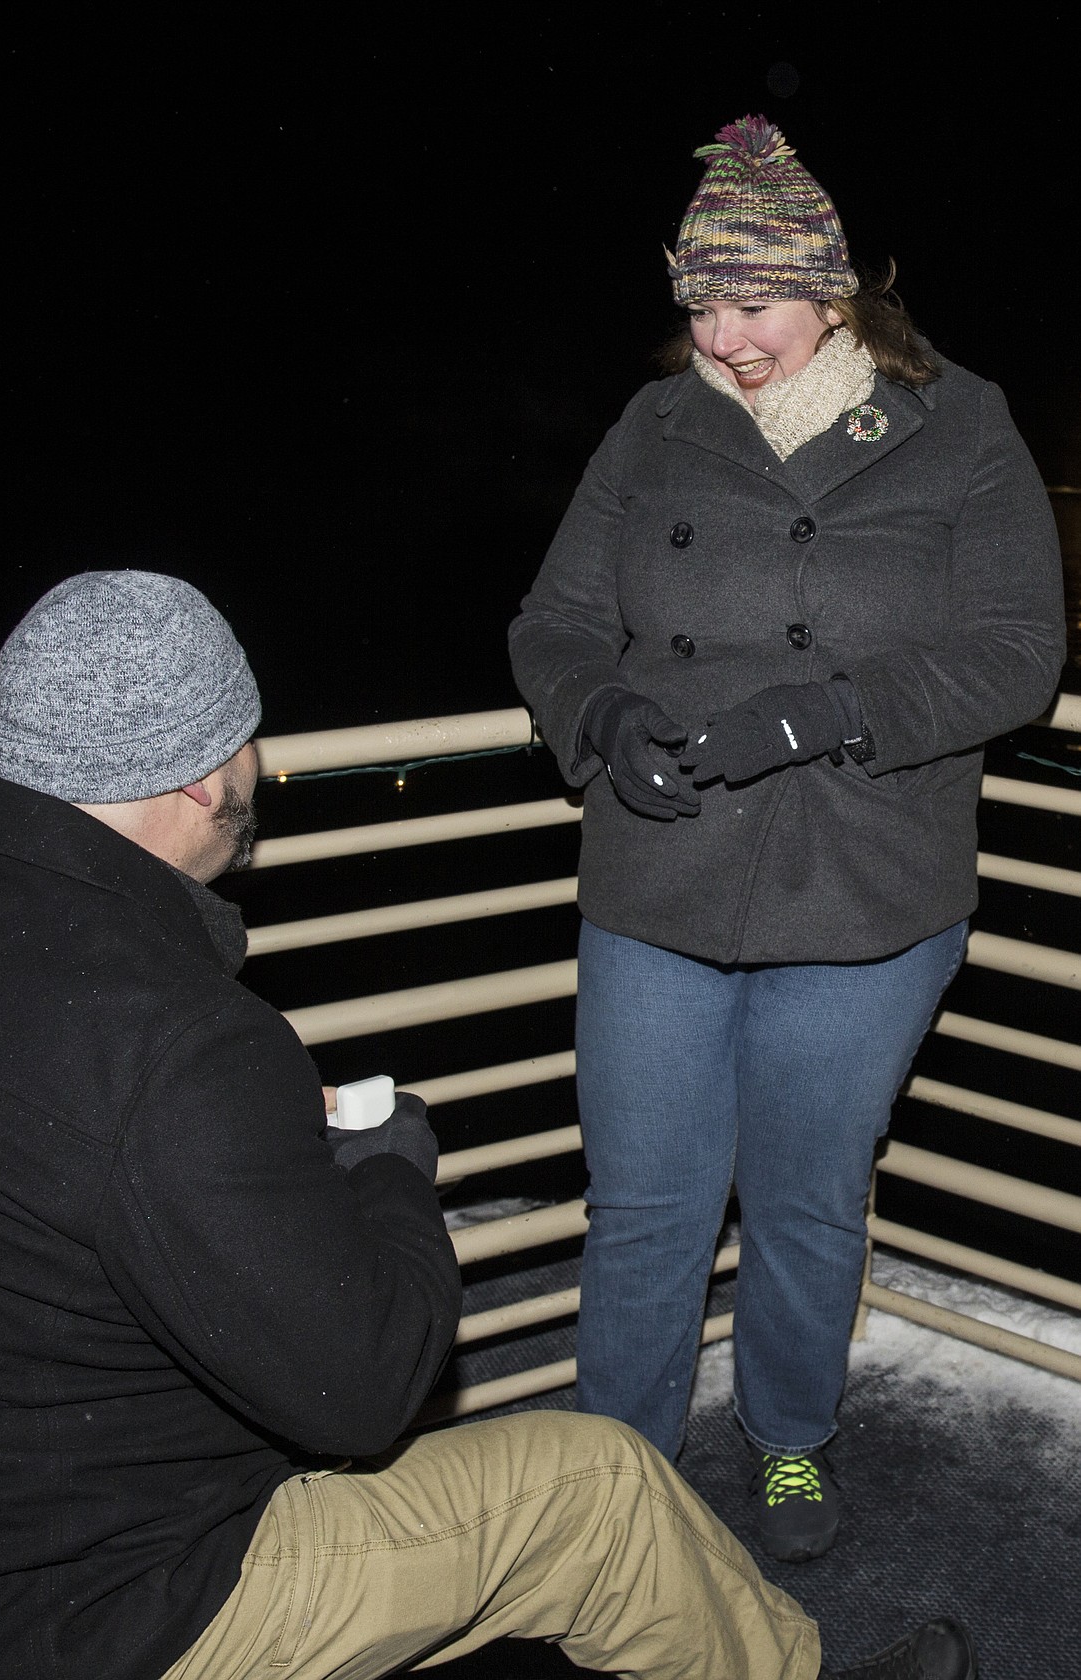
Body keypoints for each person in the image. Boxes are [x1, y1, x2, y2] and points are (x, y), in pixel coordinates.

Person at [0, 569, 979, 1680]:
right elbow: (364, 1392)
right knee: (599, 1493)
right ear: (199, 777)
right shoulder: (177, 1037)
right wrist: (385, 1172)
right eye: (248, 745)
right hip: (98, 1609)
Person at [509, 114, 1065, 1562]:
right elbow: (555, 624)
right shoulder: (656, 426)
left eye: (747, 306)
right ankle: (609, 1471)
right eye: (697, 307)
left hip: (867, 883)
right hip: (658, 872)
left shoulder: (960, 422)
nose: (722, 337)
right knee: (644, 1202)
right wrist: (604, 721)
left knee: (809, 1196)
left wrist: (825, 714)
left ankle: (790, 1440)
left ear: (830, 291)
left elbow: (1017, 654)